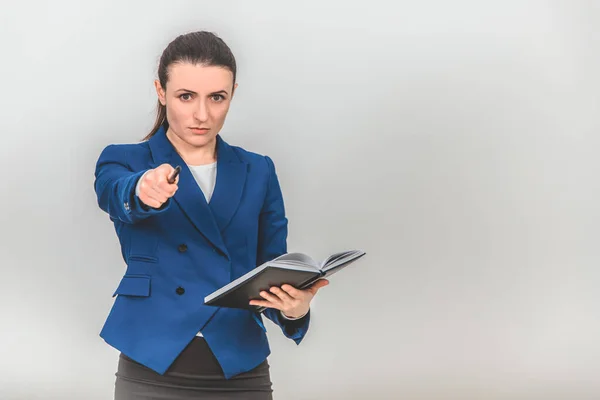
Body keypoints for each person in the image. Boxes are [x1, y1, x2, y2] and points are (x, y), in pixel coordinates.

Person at [93, 30, 329, 399]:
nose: (201, 115)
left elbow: (269, 268)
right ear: (161, 91)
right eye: (186, 96)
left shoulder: (258, 170)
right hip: (151, 358)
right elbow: (115, 192)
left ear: (233, 93)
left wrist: (294, 309)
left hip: (239, 362)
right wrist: (141, 189)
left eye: (216, 97)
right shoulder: (126, 160)